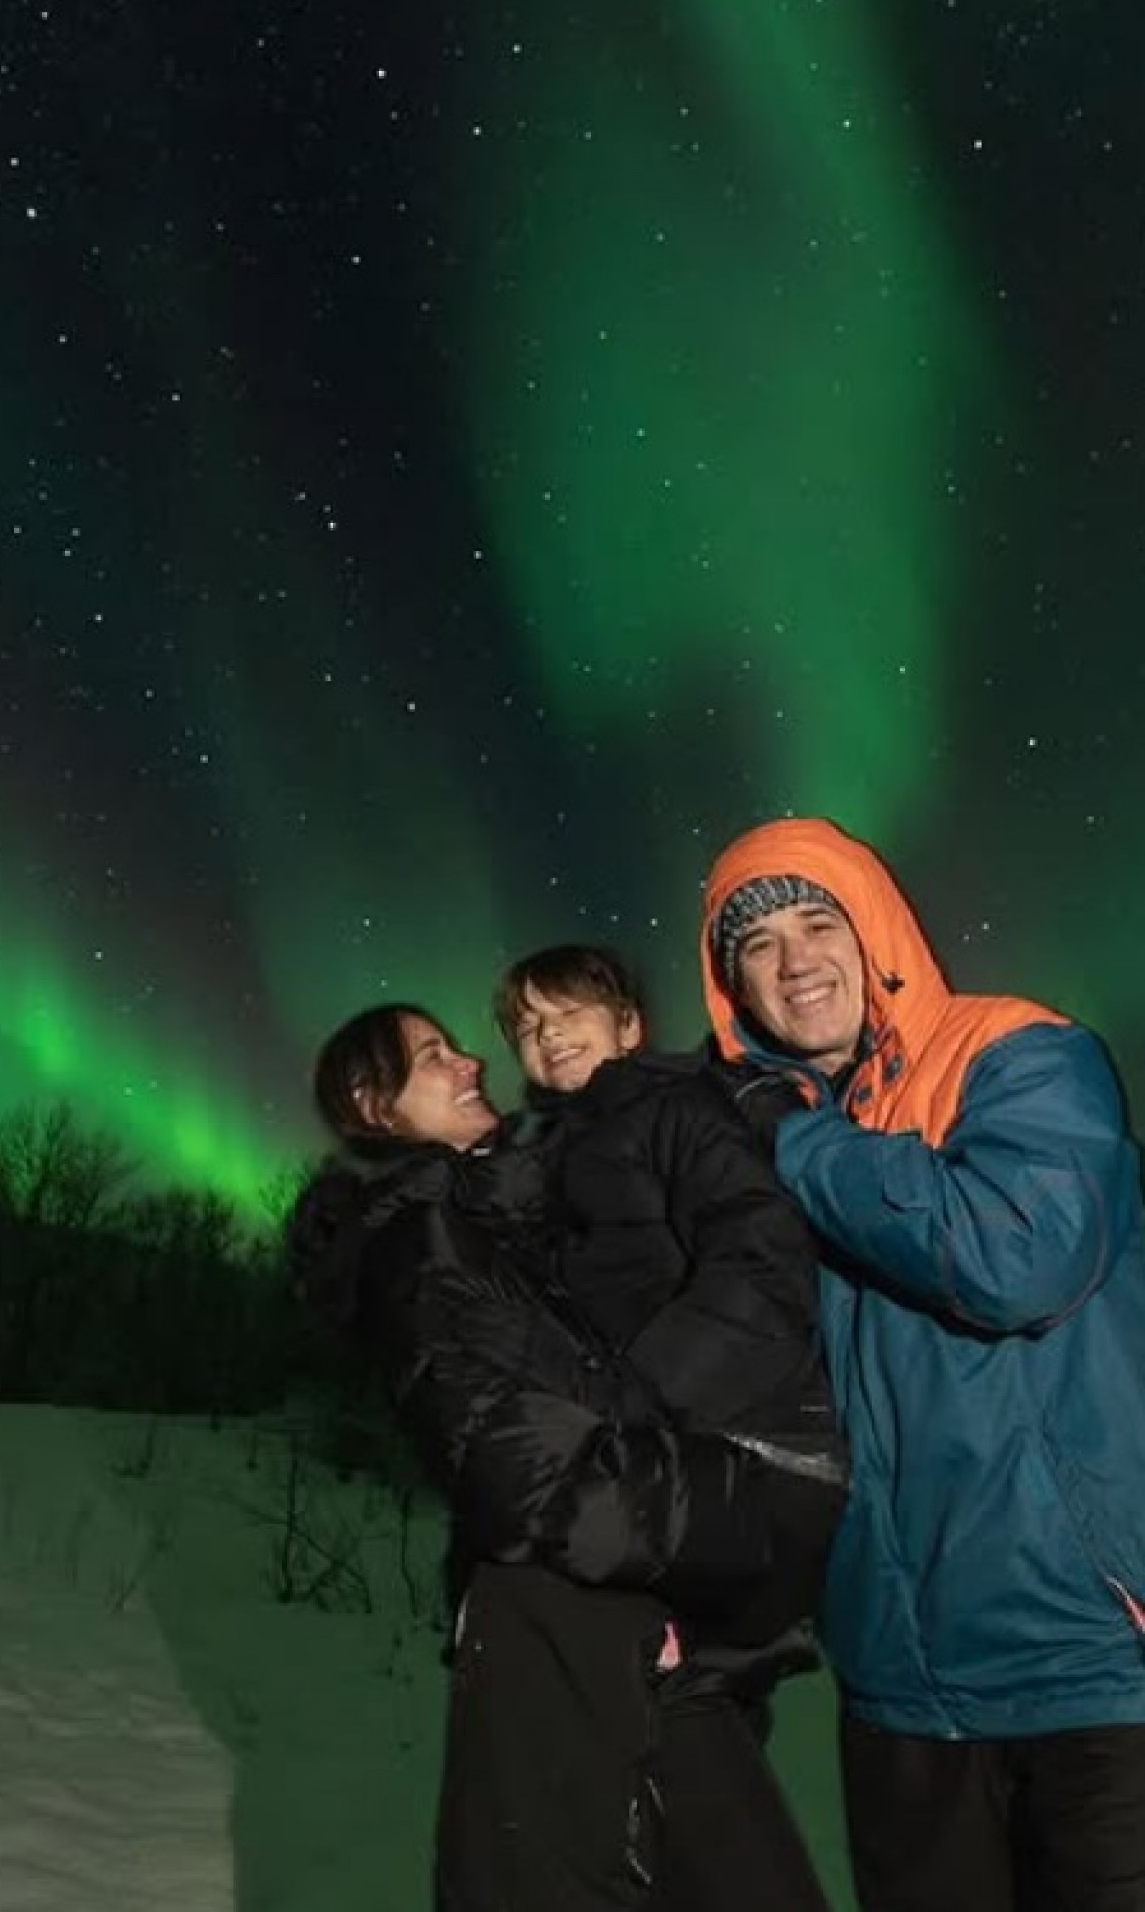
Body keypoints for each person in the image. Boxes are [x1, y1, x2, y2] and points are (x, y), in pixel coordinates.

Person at [285, 1002, 842, 1912]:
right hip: (562, 1617)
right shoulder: (416, 1244)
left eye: (458, 1045)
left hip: (636, 1614)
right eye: (431, 1057)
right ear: (372, 1104)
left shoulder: (503, 1222)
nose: (471, 1063)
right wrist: (736, 1515)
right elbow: (521, 1470)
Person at [699, 814, 1145, 1912]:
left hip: (1088, 1667)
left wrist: (795, 1140)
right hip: (897, 1689)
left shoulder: (1019, 1053)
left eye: (819, 920)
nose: (796, 960)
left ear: (877, 929)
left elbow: (1017, 1257)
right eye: (758, 945)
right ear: (732, 989)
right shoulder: (749, 1144)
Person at [495, 942, 842, 1488]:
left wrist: (645, 1398)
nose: (549, 1035)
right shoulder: (543, 1160)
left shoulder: (677, 1107)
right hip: (647, 1439)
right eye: (527, 1026)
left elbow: (760, 1253)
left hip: (749, 1433)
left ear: (629, 1027)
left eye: (569, 1012)